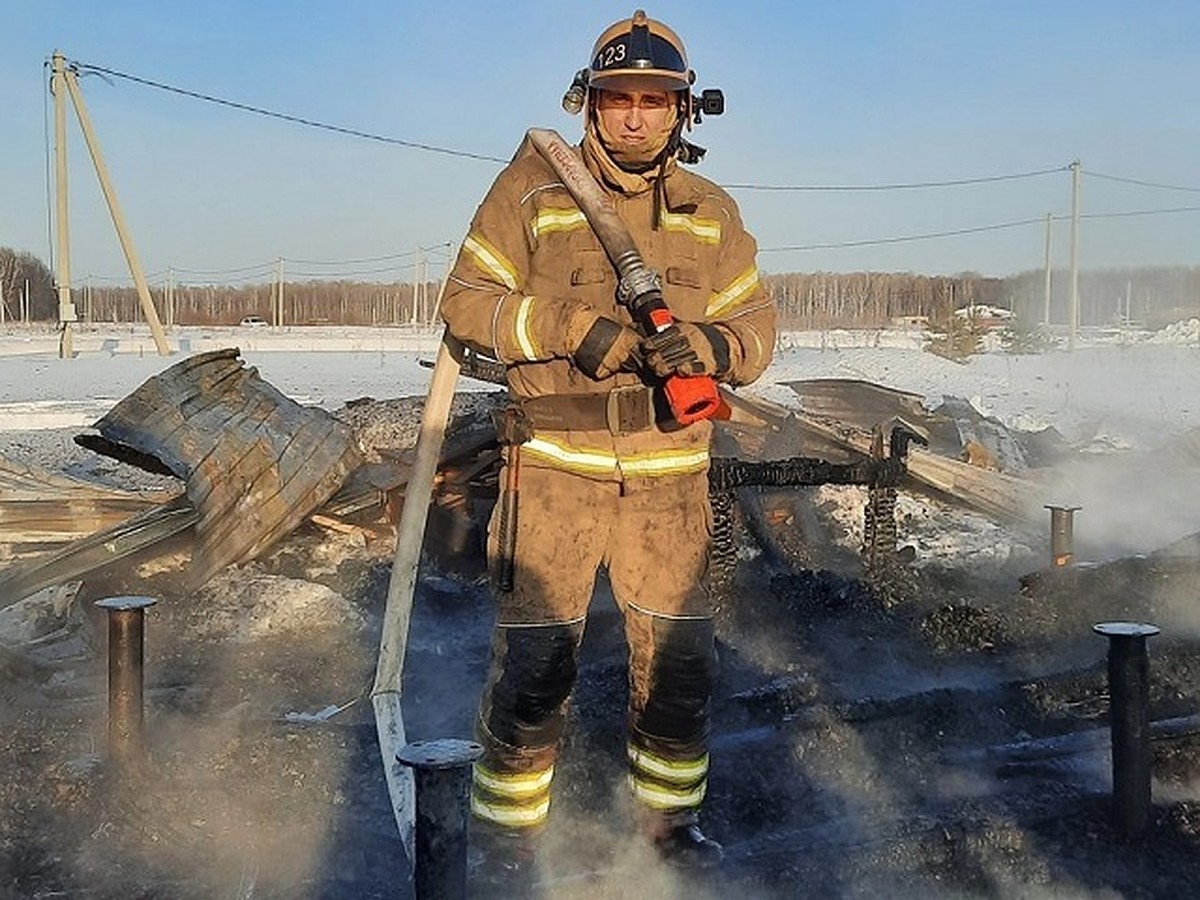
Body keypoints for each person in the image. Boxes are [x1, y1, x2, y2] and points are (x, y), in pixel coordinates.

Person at [439, 9, 776, 869]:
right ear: (588, 105)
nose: (635, 116)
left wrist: (705, 348)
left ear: (683, 111)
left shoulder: (712, 212)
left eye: (654, 101)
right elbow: (467, 302)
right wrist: (578, 330)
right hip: (552, 470)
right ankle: (506, 846)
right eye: (617, 98)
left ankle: (670, 836)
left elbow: (757, 329)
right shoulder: (532, 193)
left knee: (680, 670)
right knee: (537, 668)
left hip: (670, 481)